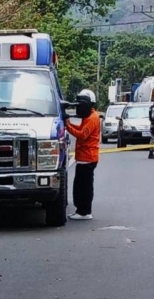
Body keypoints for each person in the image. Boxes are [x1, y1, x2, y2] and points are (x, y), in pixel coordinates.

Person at [64, 89, 100, 220]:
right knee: (80, 185)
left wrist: (68, 126)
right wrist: (69, 123)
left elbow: (82, 135)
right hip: (84, 157)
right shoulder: (88, 117)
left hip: (87, 157)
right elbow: (80, 129)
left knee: (83, 186)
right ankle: (81, 210)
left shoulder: (92, 118)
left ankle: (84, 211)